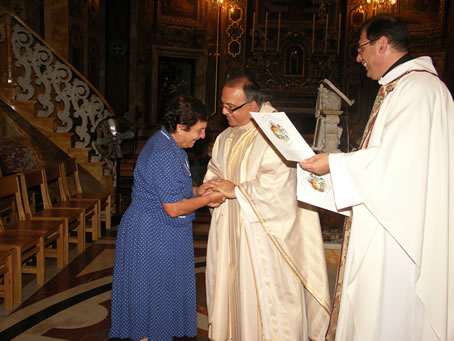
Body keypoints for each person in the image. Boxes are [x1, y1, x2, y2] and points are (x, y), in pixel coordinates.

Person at [300, 15, 454, 341]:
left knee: (389, 316)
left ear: (381, 44)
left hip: (399, 236)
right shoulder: (403, 87)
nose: (359, 58)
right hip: (387, 221)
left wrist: (336, 163)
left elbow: (398, 167)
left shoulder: (419, 90)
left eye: (361, 48)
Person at [203, 75, 331, 340]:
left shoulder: (277, 134)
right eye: (223, 105)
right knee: (233, 291)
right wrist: (211, 190)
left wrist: (236, 190)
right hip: (230, 232)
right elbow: (215, 170)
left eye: (230, 107)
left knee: (270, 301)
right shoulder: (226, 136)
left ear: (251, 105)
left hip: (266, 237)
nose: (224, 112)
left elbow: (281, 186)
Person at [109, 95, 225, 341]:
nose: (202, 136)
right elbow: (172, 207)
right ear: (182, 127)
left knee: (158, 293)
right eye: (200, 130)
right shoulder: (164, 153)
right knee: (152, 293)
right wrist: (207, 200)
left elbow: (169, 188)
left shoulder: (172, 145)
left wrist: (197, 191)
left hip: (159, 229)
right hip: (151, 232)